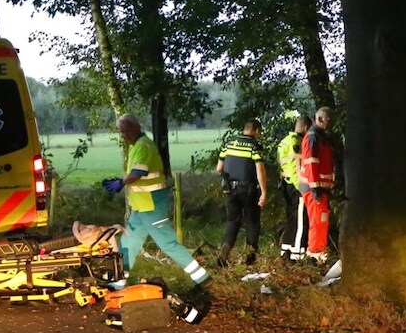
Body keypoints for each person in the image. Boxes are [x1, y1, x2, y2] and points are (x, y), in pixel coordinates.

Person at [103, 114, 210, 291]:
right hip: (141, 207)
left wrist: (121, 183)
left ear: (137, 127)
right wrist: (121, 182)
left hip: (152, 206)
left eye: (127, 131)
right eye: (122, 132)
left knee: (167, 243)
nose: (124, 135)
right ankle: (118, 282)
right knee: (128, 244)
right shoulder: (136, 146)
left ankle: (202, 278)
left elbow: (139, 172)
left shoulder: (143, 146)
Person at [215, 119, 269, 266]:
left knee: (233, 221)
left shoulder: (229, 143)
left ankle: (224, 251)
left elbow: (219, 168)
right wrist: (264, 192)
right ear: (256, 131)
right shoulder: (254, 146)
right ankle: (250, 258)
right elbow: (260, 170)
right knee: (252, 222)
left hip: (230, 189)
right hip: (248, 189)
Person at [299, 107, 336, 265]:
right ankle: (314, 257)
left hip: (320, 188)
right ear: (320, 119)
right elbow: (311, 163)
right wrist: (315, 188)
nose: (331, 124)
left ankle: (318, 255)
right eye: (329, 120)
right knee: (318, 222)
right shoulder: (313, 137)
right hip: (314, 188)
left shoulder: (320, 137)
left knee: (321, 221)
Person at [277, 115, 312, 261]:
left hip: (286, 183)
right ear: (306, 128)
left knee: (291, 218)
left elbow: (283, 164)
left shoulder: (284, 141)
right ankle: (297, 254)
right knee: (300, 220)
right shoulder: (297, 142)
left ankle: (286, 250)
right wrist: (301, 187)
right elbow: (295, 167)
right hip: (295, 185)